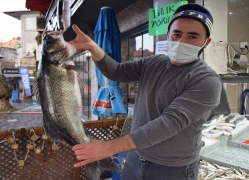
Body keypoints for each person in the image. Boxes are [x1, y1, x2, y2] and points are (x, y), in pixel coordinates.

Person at [69, 3, 222, 180]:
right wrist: (92, 47)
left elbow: (168, 123)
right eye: (177, 34)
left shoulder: (207, 80)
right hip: (136, 158)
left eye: (193, 36)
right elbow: (116, 72)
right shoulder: (154, 62)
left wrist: (108, 148)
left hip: (172, 169)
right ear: (169, 35)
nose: (182, 41)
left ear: (206, 42)